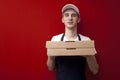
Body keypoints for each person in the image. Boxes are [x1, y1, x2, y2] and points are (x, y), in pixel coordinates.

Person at [47, 4, 99, 80]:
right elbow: (50, 68)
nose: (70, 18)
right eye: (66, 15)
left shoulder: (86, 41)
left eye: (73, 15)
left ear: (78, 19)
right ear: (62, 19)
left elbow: (95, 70)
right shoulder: (55, 40)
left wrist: (88, 55)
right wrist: (51, 58)